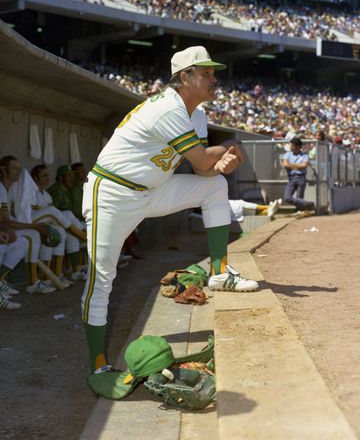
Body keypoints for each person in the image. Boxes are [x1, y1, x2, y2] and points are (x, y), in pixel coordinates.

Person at [81, 45, 259, 397]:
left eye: (213, 71)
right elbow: (201, 156)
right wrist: (231, 146)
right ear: (184, 78)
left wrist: (224, 162)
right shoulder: (167, 107)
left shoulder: (196, 114)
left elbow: (203, 169)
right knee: (101, 279)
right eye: (205, 72)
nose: (213, 78)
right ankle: (99, 364)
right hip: (113, 194)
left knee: (216, 187)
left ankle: (220, 272)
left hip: (153, 190)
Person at [0, 156, 55, 294]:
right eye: (14, 168)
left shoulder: (6, 189)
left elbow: (6, 220)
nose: (18, 171)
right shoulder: (0, 188)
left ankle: (1, 281)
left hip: (3, 230)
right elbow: (7, 221)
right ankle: (32, 283)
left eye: (19, 168)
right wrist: (36, 226)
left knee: (23, 242)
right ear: (3, 170)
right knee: (31, 235)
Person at [283, 137, 315, 211]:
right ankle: (308, 204)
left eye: (292, 145)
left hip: (301, 178)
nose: (291, 147)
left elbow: (304, 166)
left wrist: (291, 165)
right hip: (291, 178)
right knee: (287, 198)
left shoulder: (305, 156)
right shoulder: (288, 154)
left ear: (297, 146)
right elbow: (285, 165)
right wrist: (298, 166)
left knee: (299, 199)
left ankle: (300, 213)